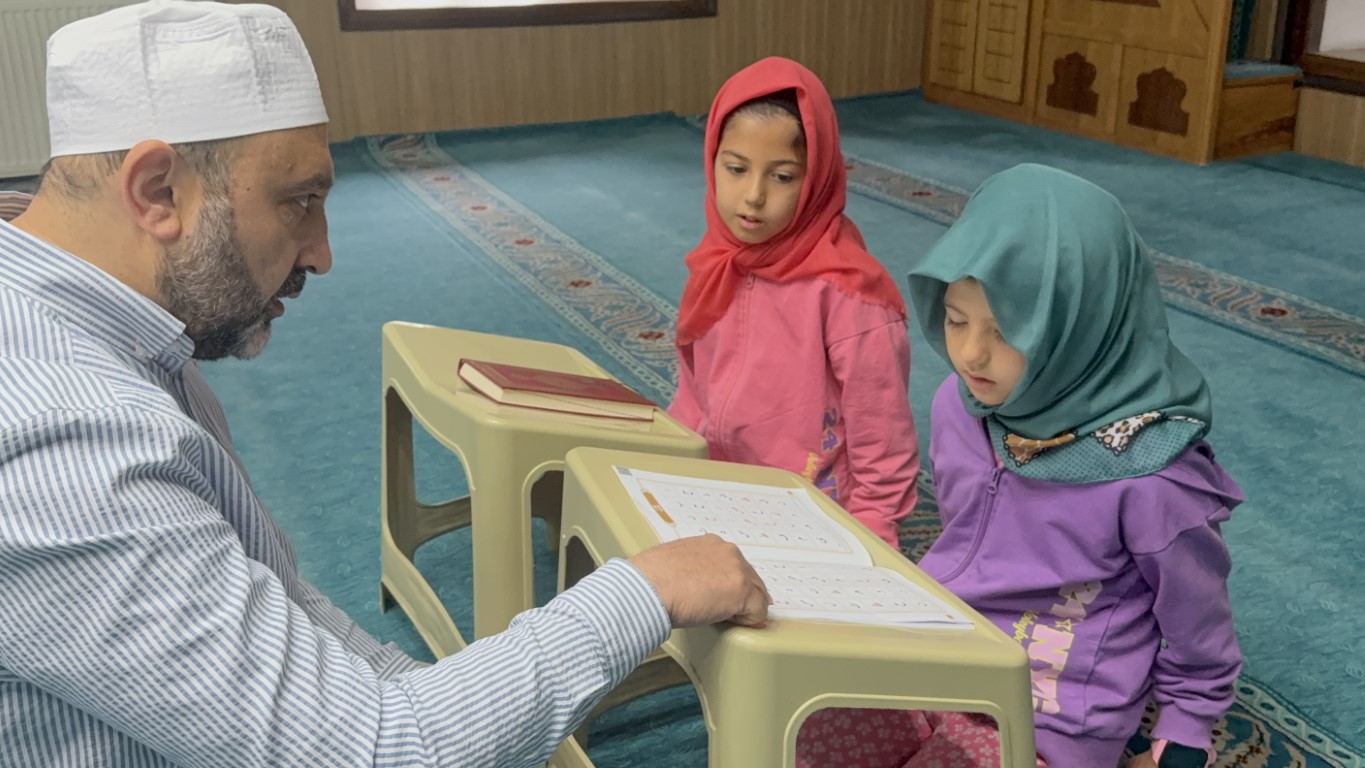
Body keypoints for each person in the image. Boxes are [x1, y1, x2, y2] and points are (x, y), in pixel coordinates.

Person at [0, 2, 768, 766]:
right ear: (159, 192)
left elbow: (280, 601)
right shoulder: (64, 443)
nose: (323, 253)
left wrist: (433, 699)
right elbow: (377, 753)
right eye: (299, 201)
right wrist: (643, 592)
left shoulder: (106, 315)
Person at [796, 164, 1243, 768]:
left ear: (1078, 327)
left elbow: (1199, 625)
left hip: (1047, 715)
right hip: (938, 652)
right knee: (800, 727)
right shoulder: (961, 404)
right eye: (955, 320)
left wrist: (1187, 729)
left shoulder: (1151, 476)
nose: (972, 354)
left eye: (1006, 332)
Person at [667, 57, 920, 548]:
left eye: (782, 177)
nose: (753, 196)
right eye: (736, 169)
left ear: (818, 177)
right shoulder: (716, 260)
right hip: (718, 483)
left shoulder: (850, 292)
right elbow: (692, 388)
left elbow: (882, 436)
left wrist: (874, 534)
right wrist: (670, 459)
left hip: (812, 503)